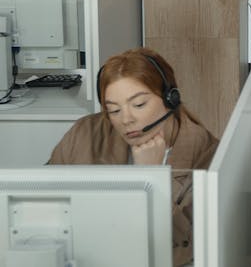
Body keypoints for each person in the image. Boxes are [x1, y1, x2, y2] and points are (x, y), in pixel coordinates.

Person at [48, 48, 218, 267]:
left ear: (170, 99)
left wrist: (150, 176)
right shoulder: (84, 133)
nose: (126, 119)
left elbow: (183, 250)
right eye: (114, 110)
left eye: (139, 105)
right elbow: (40, 204)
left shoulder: (207, 156)